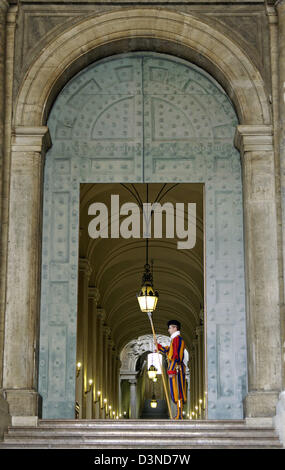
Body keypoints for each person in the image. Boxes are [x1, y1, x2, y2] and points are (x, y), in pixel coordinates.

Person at [155, 320, 186, 419]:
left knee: (178, 392)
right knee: (176, 392)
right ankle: (178, 413)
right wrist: (158, 346)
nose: (168, 330)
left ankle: (180, 414)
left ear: (175, 328)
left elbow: (176, 357)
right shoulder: (174, 340)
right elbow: (169, 350)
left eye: (170, 328)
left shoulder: (177, 339)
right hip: (175, 368)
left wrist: (172, 370)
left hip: (177, 369)